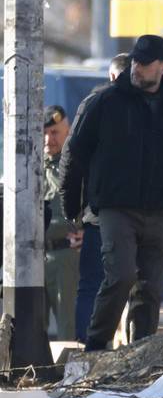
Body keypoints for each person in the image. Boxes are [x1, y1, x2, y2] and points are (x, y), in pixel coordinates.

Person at [60, 34, 163, 351]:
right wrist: (72, 208)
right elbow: (75, 154)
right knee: (120, 276)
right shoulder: (105, 102)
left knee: (150, 288)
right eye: (135, 60)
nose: (137, 67)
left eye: (145, 63)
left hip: (160, 211)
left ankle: (141, 352)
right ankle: (97, 344)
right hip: (115, 207)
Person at [43, 105, 80, 341]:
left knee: (68, 327)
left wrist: (88, 231)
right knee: (29, 327)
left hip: (65, 256)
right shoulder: (27, 166)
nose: (49, 139)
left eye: (55, 132)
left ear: (67, 132)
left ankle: (72, 366)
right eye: (44, 133)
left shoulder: (74, 167)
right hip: (32, 257)